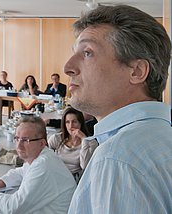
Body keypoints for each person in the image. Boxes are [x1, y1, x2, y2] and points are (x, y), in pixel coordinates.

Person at [64, 5, 172, 214]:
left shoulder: (117, 158)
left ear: (137, 71)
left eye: (87, 52)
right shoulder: (161, 138)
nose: (68, 67)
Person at [0, 116, 76, 214]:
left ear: (42, 143)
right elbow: (23, 171)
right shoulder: (41, 155)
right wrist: (1, 182)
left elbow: (13, 207)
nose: (19, 145)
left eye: (26, 140)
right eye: (17, 138)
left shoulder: (43, 165)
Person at [48, 107, 98, 180]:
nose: (71, 126)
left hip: (74, 179)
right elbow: (46, 157)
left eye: (74, 122)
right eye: (67, 122)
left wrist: (84, 139)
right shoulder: (56, 138)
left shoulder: (91, 143)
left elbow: (84, 165)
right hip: (55, 175)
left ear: (80, 123)